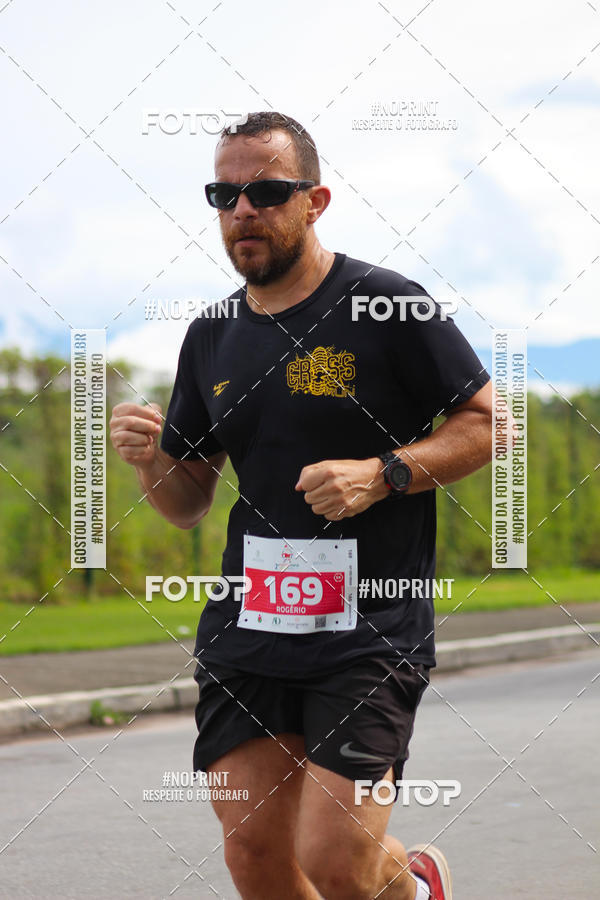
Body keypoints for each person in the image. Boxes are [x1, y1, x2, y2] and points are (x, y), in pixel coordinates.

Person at [110, 111, 493, 899]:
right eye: (224, 194)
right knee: (256, 860)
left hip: (369, 627)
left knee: (337, 863)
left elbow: (487, 423)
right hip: (250, 627)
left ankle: (414, 884)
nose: (242, 211)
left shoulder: (390, 306)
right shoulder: (212, 334)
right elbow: (187, 503)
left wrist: (385, 471)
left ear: (314, 201)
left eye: (266, 192)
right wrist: (152, 465)